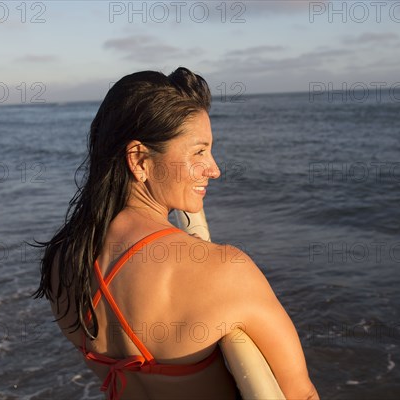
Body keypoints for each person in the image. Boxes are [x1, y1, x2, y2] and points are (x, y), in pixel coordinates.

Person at [34, 67, 319, 400]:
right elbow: (300, 394)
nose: (214, 169)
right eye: (199, 152)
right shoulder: (225, 272)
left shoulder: (61, 262)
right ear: (139, 160)